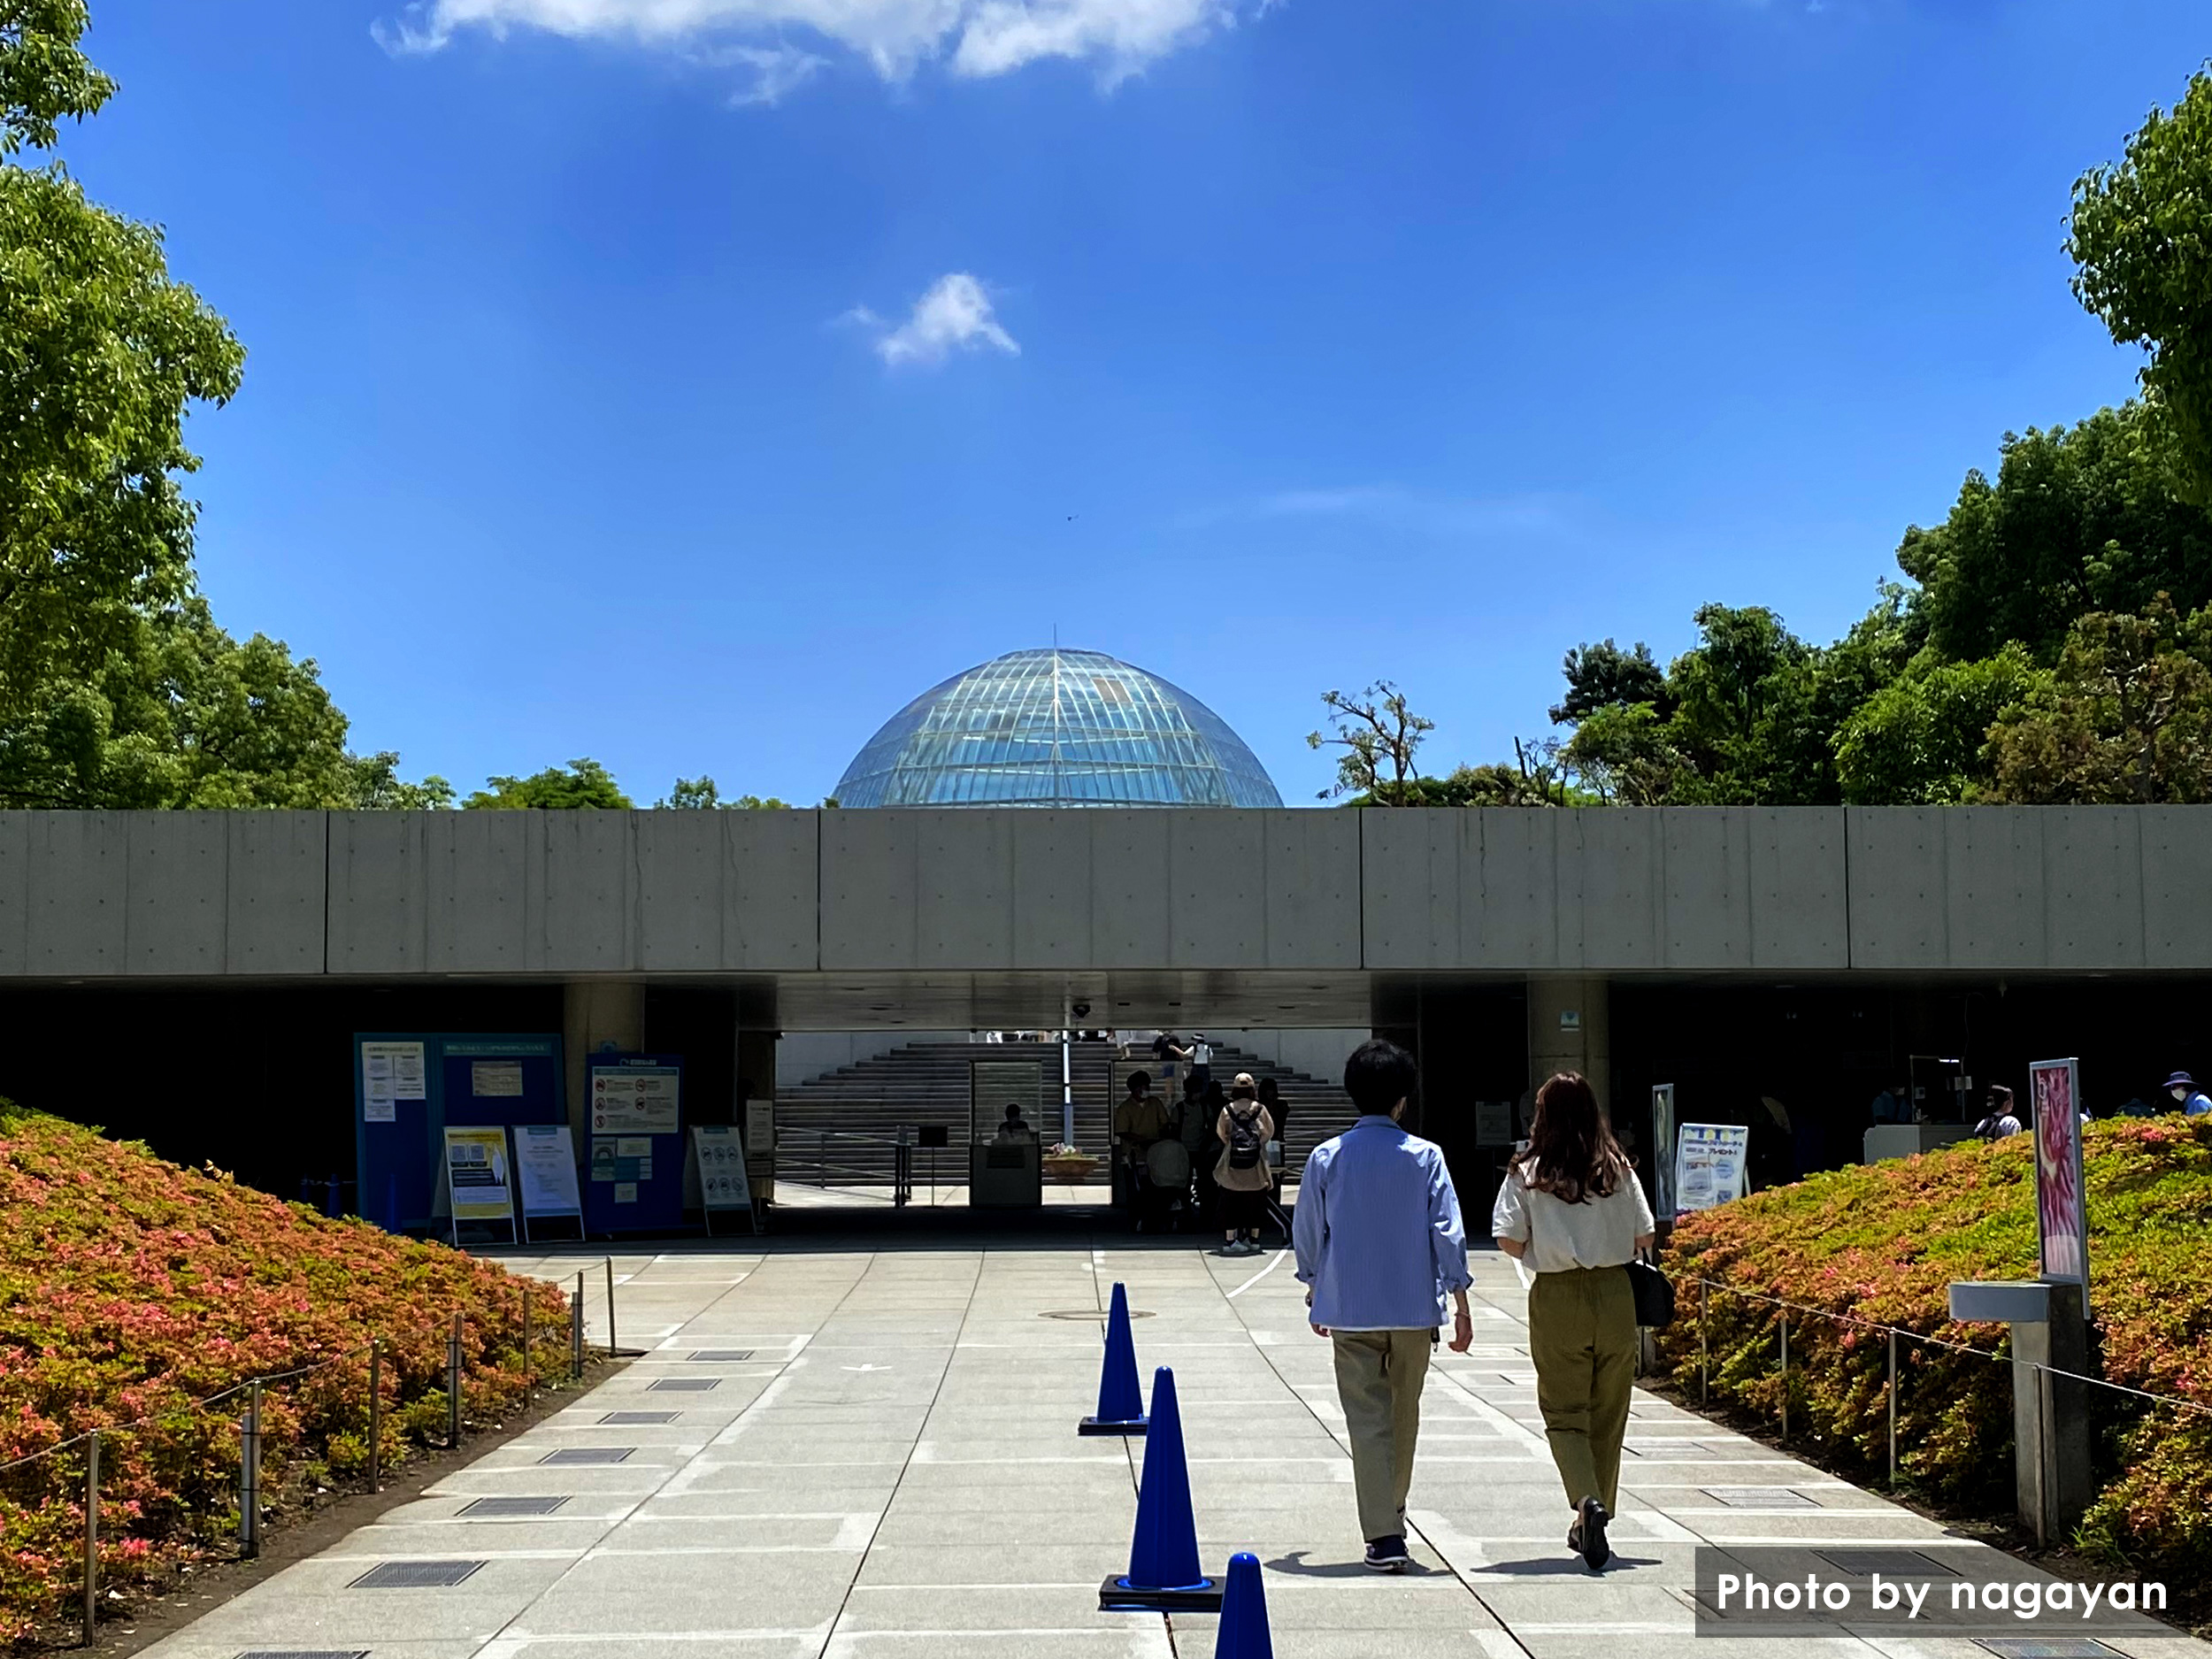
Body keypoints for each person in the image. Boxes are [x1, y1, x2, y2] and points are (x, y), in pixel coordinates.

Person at [1293, 1039, 1472, 1574]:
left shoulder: (1328, 1157)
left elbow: (1308, 1232)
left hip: (1349, 1308)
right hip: (1415, 1309)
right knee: (1404, 1416)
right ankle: (1392, 1511)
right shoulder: (1426, 1156)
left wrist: (1313, 1284)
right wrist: (1460, 1298)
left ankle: (1383, 1533)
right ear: (1402, 1101)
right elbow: (1448, 1231)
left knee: (1367, 1422)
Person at [1491, 1071, 1655, 1572]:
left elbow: (1508, 1240)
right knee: (1609, 1409)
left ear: (1541, 1116)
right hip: (1614, 1292)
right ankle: (1596, 1510)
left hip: (1558, 1295)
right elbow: (1644, 1237)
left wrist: (1551, 1240)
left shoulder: (1529, 1170)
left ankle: (1586, 1502)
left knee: (1564, 1412)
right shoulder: (1617, 1167)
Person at [1214, 1073, 1275, 1256]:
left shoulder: (1228, 1109)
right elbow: (1269, 1131)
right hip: (1255, 1165)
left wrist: (1232, 1143)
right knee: (1255, 1202)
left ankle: (1230, 1240)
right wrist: (1255, 1143)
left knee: (1230, 1202)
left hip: (1232, 1165)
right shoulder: (1260, 1109)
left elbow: (1221, 1132)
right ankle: (1254, 1240)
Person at [1113, 1071, 1171, 1219]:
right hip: (1134, 1154)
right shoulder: (1125, 1108)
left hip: (1156, 1153)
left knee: (1156, 1187)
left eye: (1146, 1087)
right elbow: (1121, 1131)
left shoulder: (1155, 1103)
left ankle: (1156, 1217)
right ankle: (1136, 1218)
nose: (1145, 1091)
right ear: (1134, 1090)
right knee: (1135, 1189)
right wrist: (1140, 1140)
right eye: (1141, 1088)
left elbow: (1165, 1123)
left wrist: (1162, 1138)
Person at [1257, 1076, 1288, 1207]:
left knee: (1277, 1176)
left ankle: (1275, 1204)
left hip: (1276, 1142)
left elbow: (1281, 1120)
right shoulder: (1258, 1107)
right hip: (1263, 1143)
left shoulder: (1281, 1105)